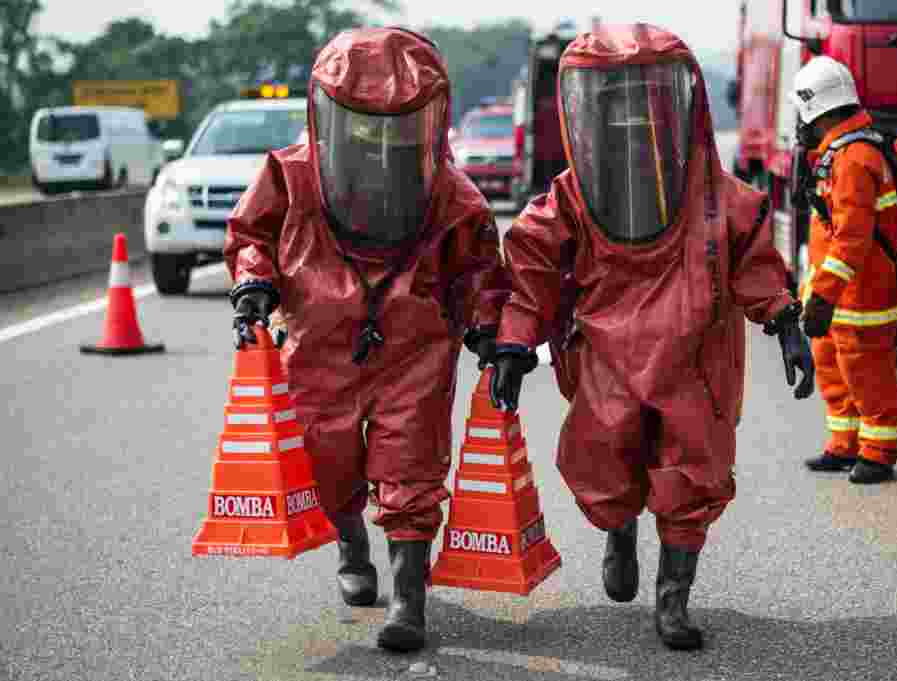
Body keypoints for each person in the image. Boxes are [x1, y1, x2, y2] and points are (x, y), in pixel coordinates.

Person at [487, 23, 814, 651]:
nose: (633, 123)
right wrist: (512, 342)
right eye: (619, 108)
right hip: (606, 357)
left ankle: (672, 601)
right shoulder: (570, 196)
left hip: (695, 356)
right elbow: (530, 271)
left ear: (673, 105)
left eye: (646, 105)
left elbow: (753, 262)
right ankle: (619, 532)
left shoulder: (717, 196)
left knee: (692, 470)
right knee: (606, 459)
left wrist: (784, 320)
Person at [224, 26, 509, 653]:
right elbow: (252, 236)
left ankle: (409, 600)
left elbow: (484, 270)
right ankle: (352, 544)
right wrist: (254, 287)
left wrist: (491, 331)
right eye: (363, 124)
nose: (380, 142)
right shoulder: (291, 175)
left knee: (411, 472)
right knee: (325, 466)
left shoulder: (453, 196)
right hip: (321, 345)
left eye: (398, 127)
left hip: (414, 347)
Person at [789, 56, 897, 485]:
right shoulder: (839, 153)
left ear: (818, 109)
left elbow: (852, 240)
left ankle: (878, 452)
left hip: (863, 296)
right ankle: (845, 444)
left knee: (867, 373)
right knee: (833, 367)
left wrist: (822, 297)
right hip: (840, 293)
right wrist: (818, 292)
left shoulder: (855, 159)